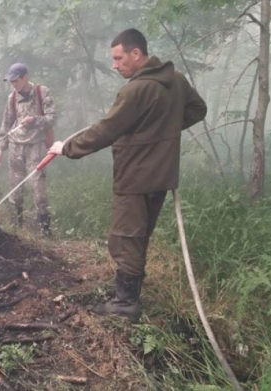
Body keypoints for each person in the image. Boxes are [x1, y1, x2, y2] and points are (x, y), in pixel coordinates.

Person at [49, 28, 207, 319]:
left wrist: (67, 148)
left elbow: (106, 129)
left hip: (135, 176)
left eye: (119, 58)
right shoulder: (176, 79)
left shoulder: (135, 90)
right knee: (140, 234)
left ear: (137, 54)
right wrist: (162, 131)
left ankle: (125, 304)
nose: (115, 65)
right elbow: (198, 110)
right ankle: (128, 296)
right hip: (162, 176)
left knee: (126, 238)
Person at [0, 63, 56, 236]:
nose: (14, 84)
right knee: (15, 188)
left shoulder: (41, 92)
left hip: (35, 146)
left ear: (25, 77)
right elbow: (6, 123)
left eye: (16, 80)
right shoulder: (11, 98)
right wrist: (1, 148)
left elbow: (51, 117)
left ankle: (45, 228)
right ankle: (17, 225)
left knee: (38, 187)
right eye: (11, 81)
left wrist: (34, 120)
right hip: (15, 146)